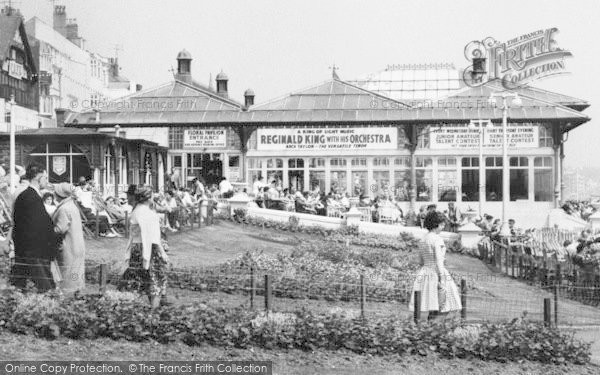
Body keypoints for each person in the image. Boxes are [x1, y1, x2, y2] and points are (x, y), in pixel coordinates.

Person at [118, 186, 169, 308]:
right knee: (155, 279)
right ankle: (153, 311)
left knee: (138, 278)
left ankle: (133, 308)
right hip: (148, 248)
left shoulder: (136, 211)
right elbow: (152, 237)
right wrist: (162, 252)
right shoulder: (148, 213)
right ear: (148, 198)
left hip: (136, 248)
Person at [10, 164, 59, 292]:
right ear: (38, 177)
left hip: (31, 251)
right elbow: (35, 228)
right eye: (45, 178)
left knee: (20, 287)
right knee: (46, 289)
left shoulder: (30, 196)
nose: (47, 181)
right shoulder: (30, 197)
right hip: (35, 252)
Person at [409, 211, 462, 320]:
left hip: (425, 271)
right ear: (436, 224)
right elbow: (439, 261)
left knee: (431, 303)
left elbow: (420, 261)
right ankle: (435, 327)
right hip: (436, 272)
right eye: (442, 224)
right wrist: (442, 279)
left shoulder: (423, 239)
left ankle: (430, 326)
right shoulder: (437, 239)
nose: (443, 227)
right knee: (445, 303)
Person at [52, 183, 86, 293]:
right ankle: (77, 293)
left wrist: (46, 230)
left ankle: (69, 295)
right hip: (77, 245)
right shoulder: (72, 206)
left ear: (59, 194)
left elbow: (60, 229)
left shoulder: (64, 209)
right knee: (76, 272)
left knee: (68, 272)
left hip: (68, 246)